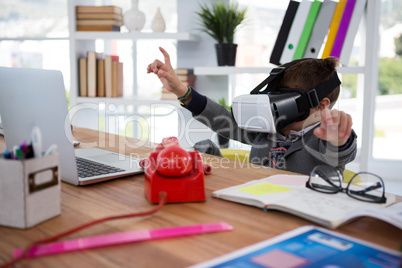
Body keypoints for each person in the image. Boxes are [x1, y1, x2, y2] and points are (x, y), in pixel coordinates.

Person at [147, 47, 357, 175]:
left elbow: (340, 152)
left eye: (285, 100)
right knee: (204, 147)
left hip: (297, 218)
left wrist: (340, 138)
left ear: (320, 106)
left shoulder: (324, 140)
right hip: (252, 203)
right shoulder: (270, 128)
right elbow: (224, 120)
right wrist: (181, 91)